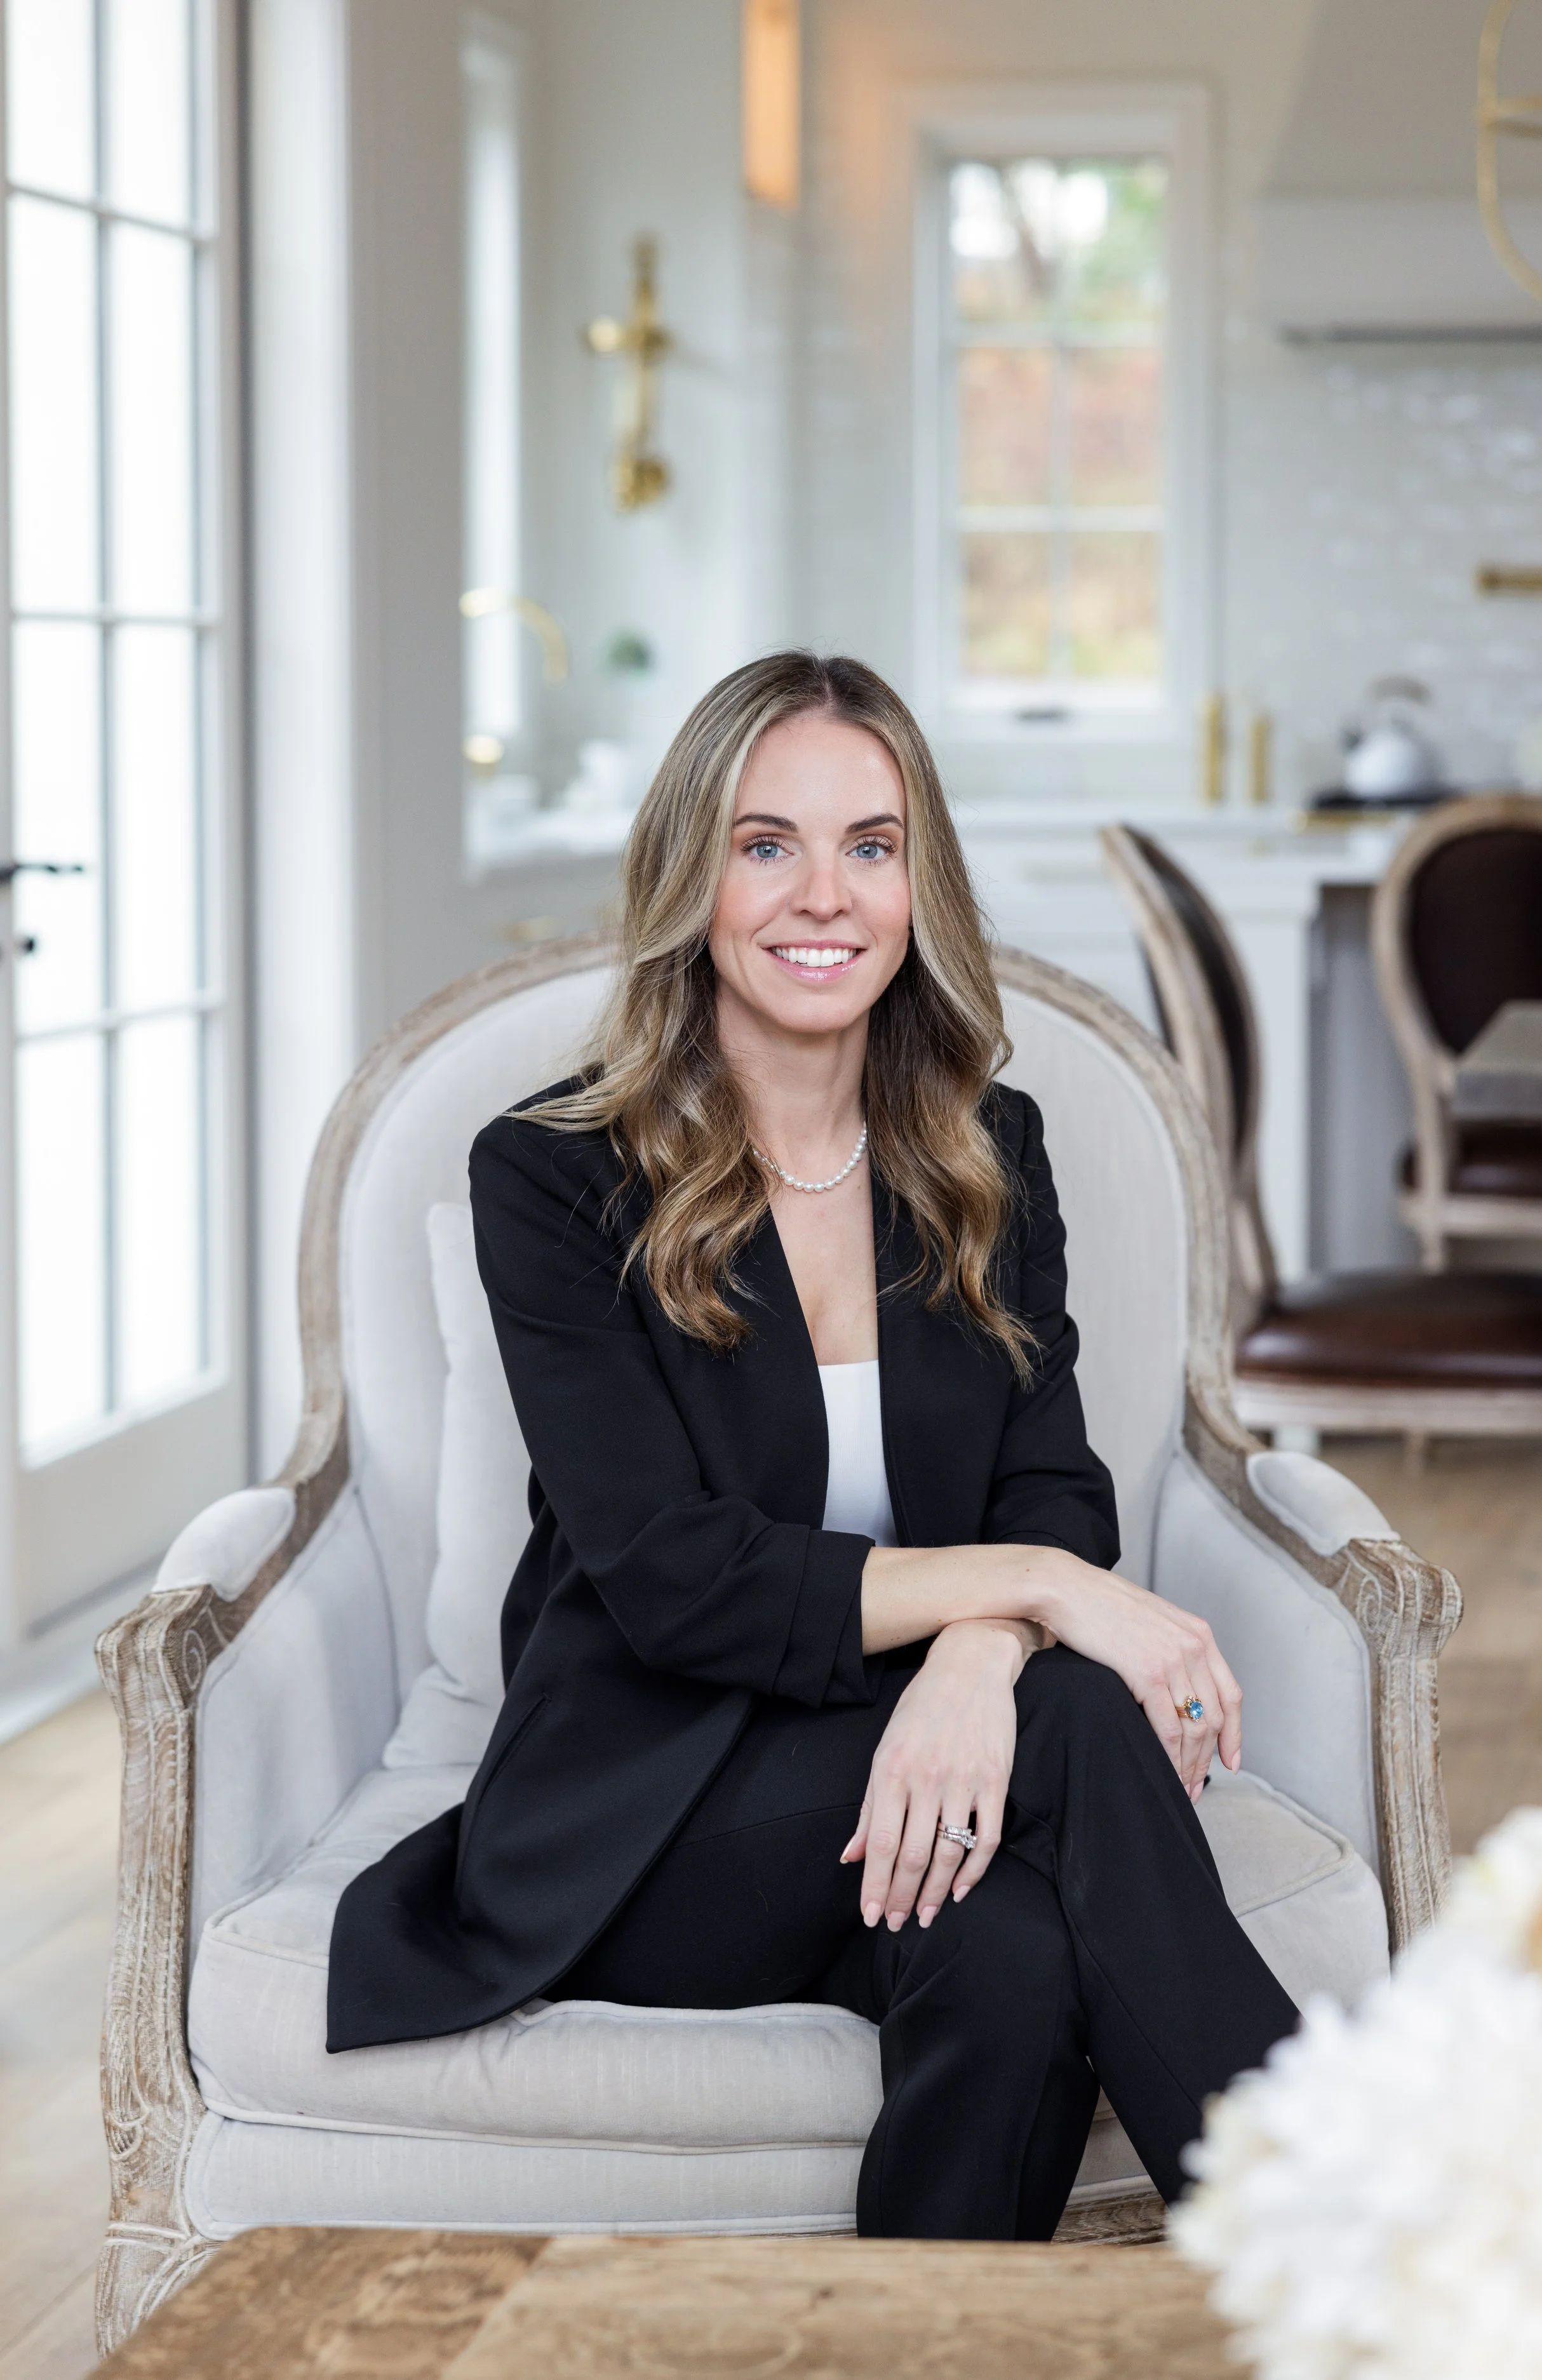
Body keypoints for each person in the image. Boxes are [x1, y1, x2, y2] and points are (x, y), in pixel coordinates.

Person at [327, 650, 1297, 2240]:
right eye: (764, 840)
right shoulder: (554, 1178)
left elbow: (1045, 1479)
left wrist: (984, 1658)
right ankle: (1359, 2252)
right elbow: (672, 1581)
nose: (819, 893)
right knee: (1075, 1726)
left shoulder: (988, 1150)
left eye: (870, 841)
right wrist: (1050, 1597)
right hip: (651, 1820)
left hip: (907, 1785)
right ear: (690, 874)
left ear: (923, 882)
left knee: (1013, 1958)